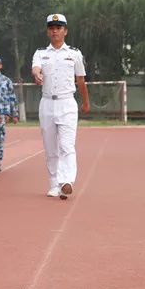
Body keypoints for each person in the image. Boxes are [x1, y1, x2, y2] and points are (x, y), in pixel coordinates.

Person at [31, 14, 89, 199]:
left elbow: (80, 80)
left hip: (67, 103)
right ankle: (54, 183)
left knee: (66, 145)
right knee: (50, 148)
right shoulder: (41, 53)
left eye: (58, 27)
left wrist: (86, 101)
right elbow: (35, 68)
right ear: (48, 31)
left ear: (65, 31)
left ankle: (66, 181)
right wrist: (37, 74)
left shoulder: (74, 53)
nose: (55, 30)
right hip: (47, 103)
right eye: (51, 27)